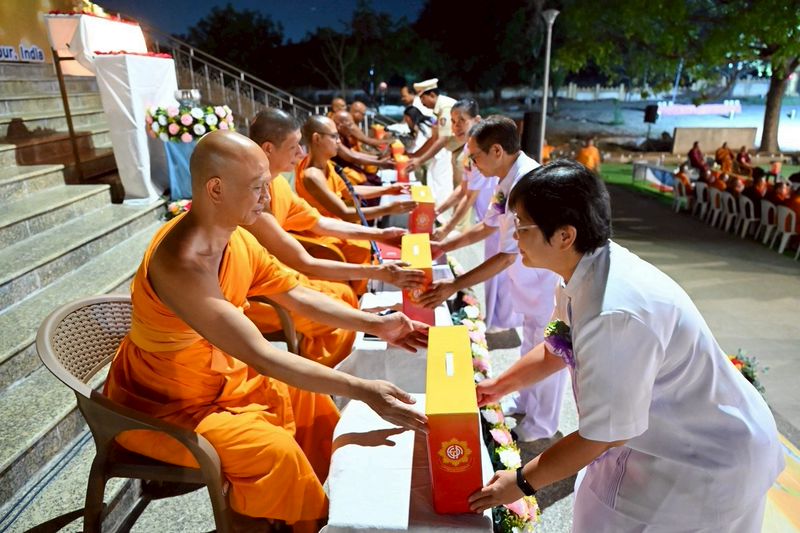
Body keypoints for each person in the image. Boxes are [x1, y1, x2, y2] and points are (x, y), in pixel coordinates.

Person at [104, 130, 429, 532]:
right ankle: (292, 522)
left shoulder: (236, 238)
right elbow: (262, 355)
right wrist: (364, 389)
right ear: (216, 189)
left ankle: (328, 510)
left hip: (223, 382)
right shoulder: (181, 264)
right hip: (165, 407)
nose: (268, 198)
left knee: (313, 405)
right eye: (258, 188)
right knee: (273, 451)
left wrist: (378, 324)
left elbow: (296, 293)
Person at [468, 160, 783, 532]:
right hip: (663, 438)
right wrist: (496, 387)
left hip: (709, 456)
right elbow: (559, 347)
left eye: (522, 225)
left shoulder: (613, 311)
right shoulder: (580, 271)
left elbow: (604, 433)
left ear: (564, 236)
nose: (513, 233)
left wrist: (521, 482)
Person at [418, 116, 565, 440]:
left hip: (543, 280)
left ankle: (542, 423)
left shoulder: (528, 183)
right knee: (530, 341)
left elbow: (508, 254)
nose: (471, 162)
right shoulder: (505, 179)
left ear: (496, 150)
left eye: (474, 155)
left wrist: (454, 285)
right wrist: (444, 243)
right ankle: (525, 401)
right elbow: (487, 224)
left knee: (549, 348)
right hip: (527, 281)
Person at [243, 108, 426, 364]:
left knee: (344, 294)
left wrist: (381, 233)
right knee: (337, 310)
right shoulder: (250, 201)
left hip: (280, 272)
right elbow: (305, 262)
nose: (301, 153)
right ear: (268, 149)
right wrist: (380, 274)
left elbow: (321, 222)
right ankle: (326, 377)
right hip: (258, 294)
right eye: (294, 147)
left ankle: (344, 369)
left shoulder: (278, 185)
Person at [295, 115, 415, 223]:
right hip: (325, 237)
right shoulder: (312, 176)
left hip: (337, 226)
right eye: (334, 136)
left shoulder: (327, 165)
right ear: (317, 138)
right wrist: (388, 209)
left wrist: (388, 190)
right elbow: (345, 213)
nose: (338, 141)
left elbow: (350, 191)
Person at [433, 99, 497, 241]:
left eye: (462, 120)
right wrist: (436, 211)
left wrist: (446, 229)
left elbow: (470, 195)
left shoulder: (482, 149)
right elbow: (463, 188)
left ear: (477, 120)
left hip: (499, 221)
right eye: (454, 121)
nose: (456, 127)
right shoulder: (468, 149)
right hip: (488, 218)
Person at [407, 78, 460, 202]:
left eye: (422, 99)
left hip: (463, 150)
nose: (422, 103)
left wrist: (419, 160)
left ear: (432, 95)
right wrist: (415, 155)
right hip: (455, 150)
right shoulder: (439, 110)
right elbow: (433, 139)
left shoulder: (446, 107)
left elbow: (442, 140)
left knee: (458, 191)